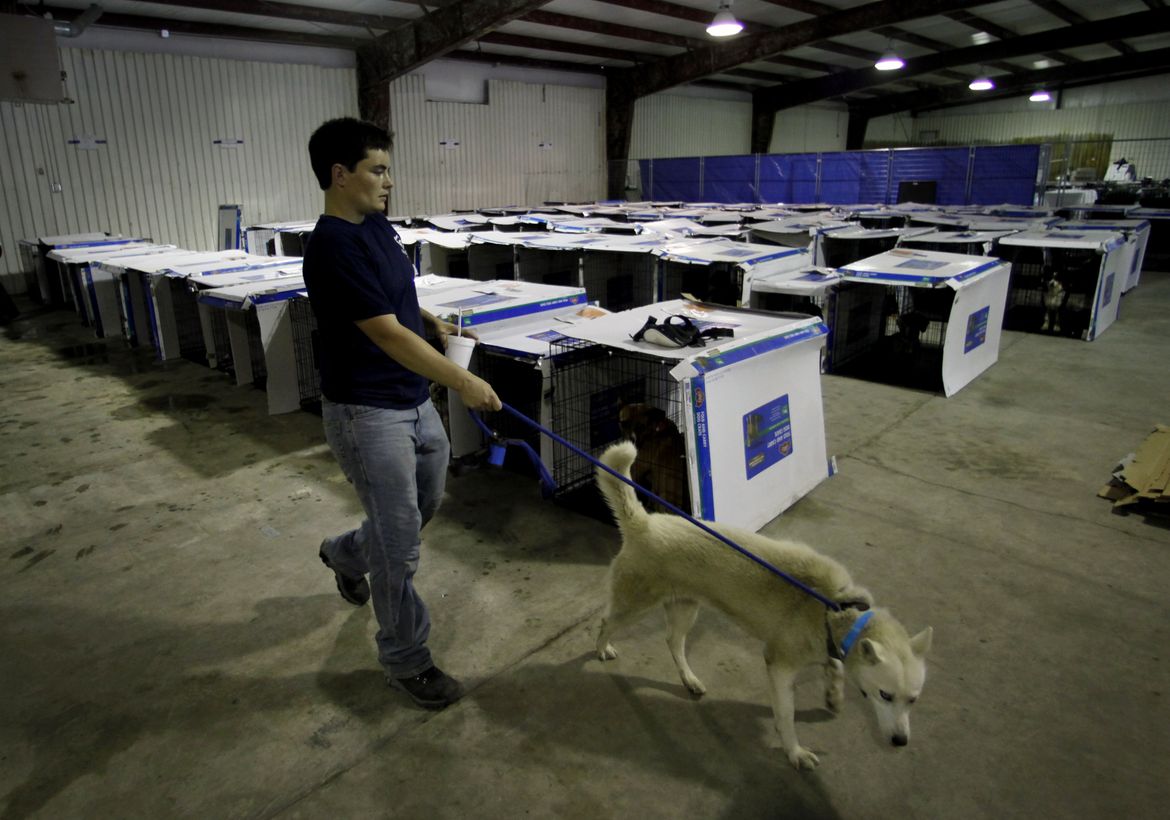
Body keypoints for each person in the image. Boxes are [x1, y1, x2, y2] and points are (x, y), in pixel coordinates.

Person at [303, 117, 501, 709]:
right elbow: (385, 334)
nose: (389, 181)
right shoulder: (331, 246)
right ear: (341, 176)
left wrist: (430, 321)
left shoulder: (375, 225)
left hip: (412, 400)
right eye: (377, 170)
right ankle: (406, 660)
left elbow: (396, 304)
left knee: (422, 509)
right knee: (398, 547)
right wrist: (465, 381)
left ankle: (342, 553)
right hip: (368, 414)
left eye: (387, 169)